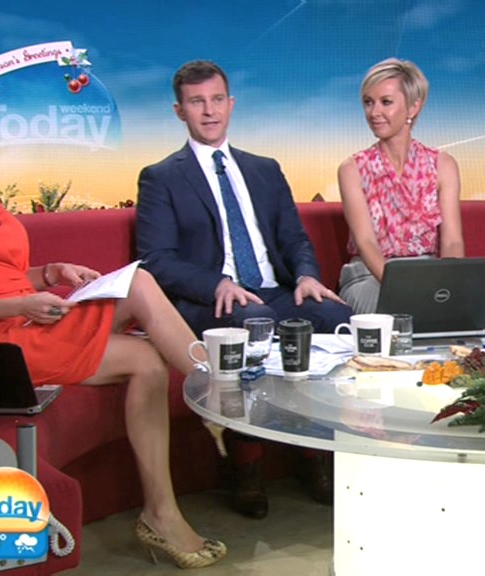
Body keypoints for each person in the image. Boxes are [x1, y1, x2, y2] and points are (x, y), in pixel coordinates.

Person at [0, 66, 225, 570]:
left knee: (147, 360)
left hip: (23, 324)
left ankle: (162, 512)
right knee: (139, 284)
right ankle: (219, 395)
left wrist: (50, 274)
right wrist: (21, 305)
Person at [136, 60, 350, 519]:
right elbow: (157, 260)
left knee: (337, 318)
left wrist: (307, 275)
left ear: (231, 104)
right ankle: (246, 467)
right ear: (179, 111)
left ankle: (318, 453)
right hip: (213, 300)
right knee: (255, 326)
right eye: (197, 102)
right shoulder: (161, 177)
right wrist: (217, 282)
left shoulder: (264, 169)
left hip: (277, 289)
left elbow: (294, 238)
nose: (209, 111)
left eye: (217, 100)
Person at [338, 58, 464, 313]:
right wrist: (404, 289)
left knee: (455, 311)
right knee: (402, 310)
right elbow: (366, 242)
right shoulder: (352, 169)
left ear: (413, 107)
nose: (374, 113)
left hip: (428, 276)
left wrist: (447, 287)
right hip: (369, 275)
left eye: (386, 102)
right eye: (368, 102)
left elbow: (452, 241)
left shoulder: (443, 165)